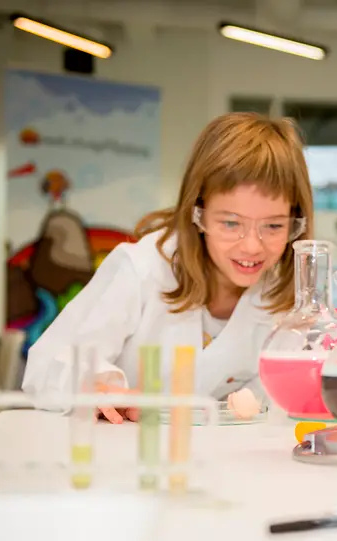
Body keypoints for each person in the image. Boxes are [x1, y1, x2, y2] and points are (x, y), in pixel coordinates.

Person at [22, 112, 313, 423]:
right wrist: (100, 387)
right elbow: (45, 366)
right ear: (197, 211)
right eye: (231, 223)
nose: (252, 246)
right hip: (122, 447)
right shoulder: (142, 269)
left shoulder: (284, 301)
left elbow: (275, 406)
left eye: (273, 226)